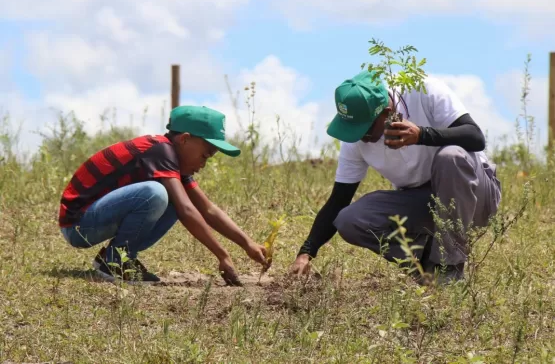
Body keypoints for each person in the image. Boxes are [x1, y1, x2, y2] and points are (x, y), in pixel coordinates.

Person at [289, 70, 502, 285]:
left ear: (387, 112)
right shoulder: (355, 140)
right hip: (424, 203)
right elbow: (338, 201)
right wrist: (307, 251)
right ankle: (425, 267)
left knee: (451, 156)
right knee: (350, 219)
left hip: (476, 196)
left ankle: (449, 269)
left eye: (365, 129)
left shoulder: (423, 90)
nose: (360, 137)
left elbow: (475, 137)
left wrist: (421, 135)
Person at [58, 105, 268, 285]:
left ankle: (115, 257)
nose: (203, 164)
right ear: (185, 139)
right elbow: (187, 211)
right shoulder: (160, 150)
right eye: (204, 155)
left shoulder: (174, 164)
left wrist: (247, 243)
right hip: (79, 225)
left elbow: (207, 209)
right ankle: (116, 261)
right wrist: (222, 255)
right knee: (155, 193)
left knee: (172, 199)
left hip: (94, 220)